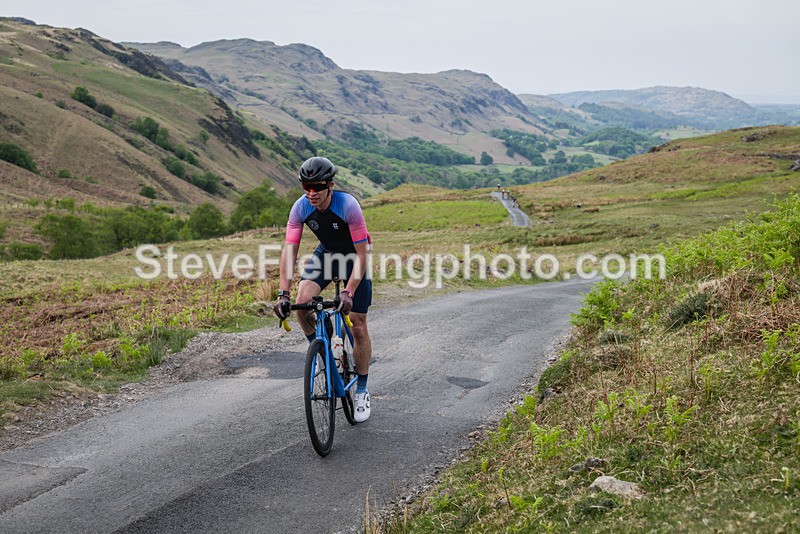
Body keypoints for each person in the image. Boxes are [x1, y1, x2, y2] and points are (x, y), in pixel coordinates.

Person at [273, 156, 374, 422]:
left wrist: (349, 292)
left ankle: (362, 389)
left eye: (316, 187)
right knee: (302, 302)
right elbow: (289, 252)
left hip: (354, 257)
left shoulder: (348, 206)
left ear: (330, 185)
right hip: (327, 255)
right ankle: (321, 352)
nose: (311, 192)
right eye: (306, 186)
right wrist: (282, 293)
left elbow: (363, 254)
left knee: (358, 324)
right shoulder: (300, 208)